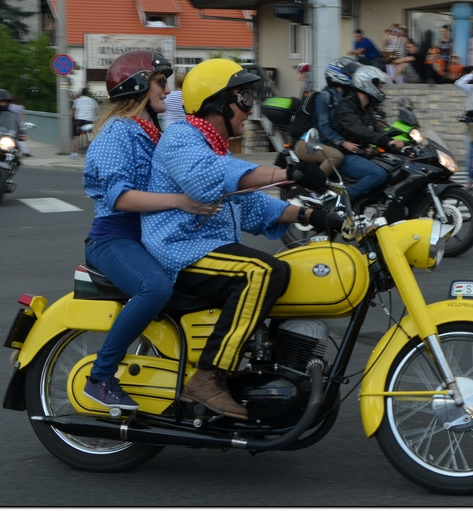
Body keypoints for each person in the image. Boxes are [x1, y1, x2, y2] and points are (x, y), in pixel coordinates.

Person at [142, 58, 330, 419]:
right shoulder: (183, 137)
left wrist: (310, 215)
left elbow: (251, 206)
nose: (249, 108)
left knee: (288, 270)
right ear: (215, 102)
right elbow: (206, 178)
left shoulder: (216, 148)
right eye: (242, 98)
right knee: (262, 271)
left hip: (205, 247)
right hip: (180, 249)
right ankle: (208, 377)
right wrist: (288, 172)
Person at [80, 49, 215, 410]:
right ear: (137, 85)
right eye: (160, 82)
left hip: (150, 237)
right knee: (155, 287)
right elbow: (120, 197)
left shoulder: (153, 133)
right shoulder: (117, 133)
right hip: (114, 238)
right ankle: (101, 377)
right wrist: (180, 201)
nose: (167, 90)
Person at [328, 65, 405, 200]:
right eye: (379, 86)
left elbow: (378, 130)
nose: (381, 90)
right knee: (378, 174)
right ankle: (343, 201)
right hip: (343, 154)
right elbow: (361, 131)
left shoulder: (367, 108)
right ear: (367, 84)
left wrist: (403, 144)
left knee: (395, 166)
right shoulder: (345, 107)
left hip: (360, 153)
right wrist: (387, 141)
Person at [290, 57, 361, 177]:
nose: (354, 77)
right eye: (351, 74)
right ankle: (314, 186)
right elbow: (323, 126)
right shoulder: (325, 96)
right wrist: (342, 142)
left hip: (325, 143)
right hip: (309, 144)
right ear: (339, 75)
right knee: (336, 156)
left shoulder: (345, 98)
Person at [70, 87, 99, 159]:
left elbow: (73, 111)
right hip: (89, 121)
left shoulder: (77, 101)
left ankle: (74, 154)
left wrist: (72, 114)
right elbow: (96, 111)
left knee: (76, 137)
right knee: (92, 136)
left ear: (81, 93)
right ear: (88, 94)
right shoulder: (92, 101)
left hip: (79, 120)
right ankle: (92, 153)